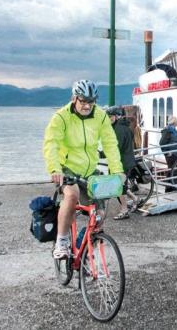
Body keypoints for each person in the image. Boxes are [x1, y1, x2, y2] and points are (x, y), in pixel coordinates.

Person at [43, 80, 124, 259]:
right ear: (74, 98)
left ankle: (85, 249)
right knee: (72, 196)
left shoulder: (100, 116)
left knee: (101, 214)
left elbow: (110, 144)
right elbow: (51, 144)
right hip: (67, 168)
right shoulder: (61, 117)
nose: (87, 105)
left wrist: (118, 171)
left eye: (91, 101)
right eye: (83, 101)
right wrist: (55, 169)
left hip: (89, 171)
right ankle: (62, 241)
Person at [106, 106, 138, 220]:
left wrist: (103, 154)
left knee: (118, 187)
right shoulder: (125, 127)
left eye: (110, 117)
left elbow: (115, 148)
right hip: (127, 160)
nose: (108, 119)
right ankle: (134, 199)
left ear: (116, 116)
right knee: (121, 186)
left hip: (121, 163)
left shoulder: (118, 129)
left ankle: (124, 210)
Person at [160, 115, 177, 190]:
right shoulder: (168, 130)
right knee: (173, 170)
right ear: (174, 122)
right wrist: (166, 152)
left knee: (172, 170)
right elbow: (162, 142)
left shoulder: (172, 130)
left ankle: (169, 188)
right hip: (171, 154)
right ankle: (172, 187)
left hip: (175, 153)